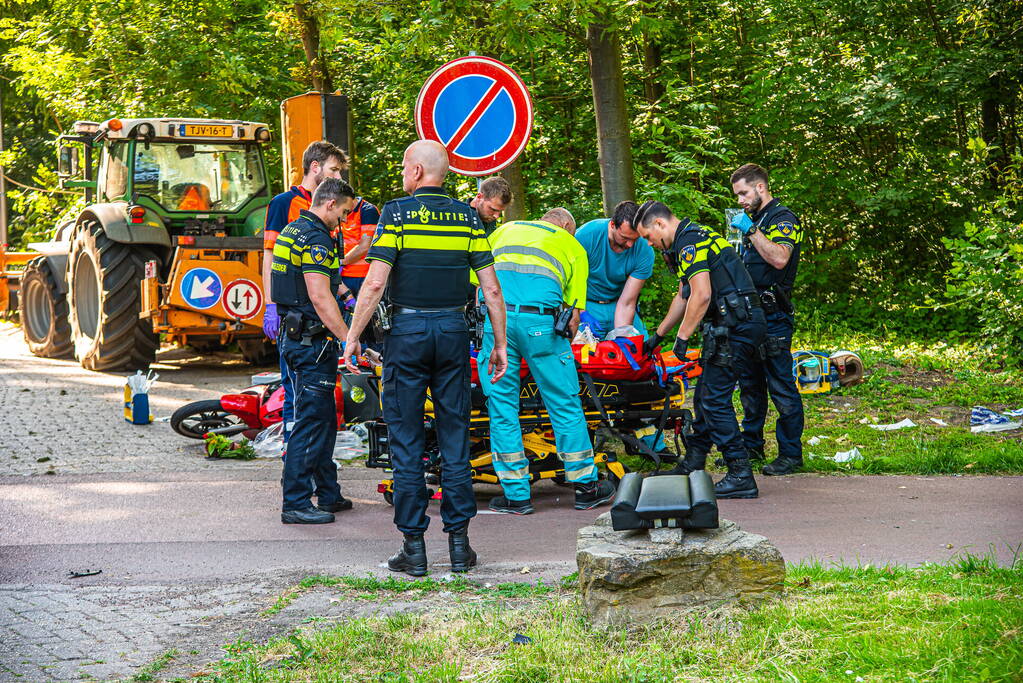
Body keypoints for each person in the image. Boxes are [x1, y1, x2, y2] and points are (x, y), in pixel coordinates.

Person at [342, 140, 509, 576]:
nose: (401, 174)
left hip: (407, 335)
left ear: (416, 171)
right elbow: (491, 288)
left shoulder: (395, 214)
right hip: (453, 334)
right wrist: (500, 344)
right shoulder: (469, 218)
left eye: (402, 167)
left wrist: (353, 337)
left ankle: (413, 549)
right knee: (455, 438)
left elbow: (375, 284)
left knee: (407, 440)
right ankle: (459, 547)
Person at [478, 208, 616, 515]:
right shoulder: (571, 245)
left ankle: (516, 495)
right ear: (567, 226)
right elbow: (573, 314)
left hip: (496, 321)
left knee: (502, 407)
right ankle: (585, 487)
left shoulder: (505, 229)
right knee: (564, 402)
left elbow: (477, 277)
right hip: (540, 325)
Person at [634, 200, 766, 499]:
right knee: (706, 394)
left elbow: (703, 294)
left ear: (659, 224)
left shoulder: (689, 241)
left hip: (736, 325)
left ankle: (740, 473)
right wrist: (658, 335)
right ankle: (694, 462)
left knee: (715, 399)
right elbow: (685, 294)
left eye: (647, 237)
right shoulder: (692, 236)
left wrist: (682, 338)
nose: (650, 244)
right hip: (734, 323)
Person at [270, 178, 353, 524]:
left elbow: (328, 281)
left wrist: (351, 300)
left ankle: (328, 492)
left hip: (298, 337)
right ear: (330, 204)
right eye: (344, 212)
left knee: (322, 420)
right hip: (310, 343)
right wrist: (349, 338)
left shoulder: (294, 230)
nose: (345, 220)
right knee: (310, 421)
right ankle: (296, 503)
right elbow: (319, 297)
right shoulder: (316, 237)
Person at [261, 141, 350, 451]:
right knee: (295, 391)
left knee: (320, 395)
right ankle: (293, 453)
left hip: (322, 313)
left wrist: (344, 293)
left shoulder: (331, 206)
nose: (338, 175)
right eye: (334, 169)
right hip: (298, 315)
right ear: (315, 168)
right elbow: (271, 257)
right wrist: (271, 305)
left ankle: (315, 460)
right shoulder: (285, 203)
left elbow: (325, 265)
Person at [729, 164, 805, 476]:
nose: (740, 201)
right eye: (737, 196)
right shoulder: (755, 220)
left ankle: (790, 454)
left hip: (773, 316)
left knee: (781, 386)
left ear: (760, 188)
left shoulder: (782, 218)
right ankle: (752, 446)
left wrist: (750, 230)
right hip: (748, 316)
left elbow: (779, 257)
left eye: (744, 193)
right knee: (750, 385)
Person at [574, 201, 654, 339]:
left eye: (634, 239)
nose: (630, 244)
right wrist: (581, 313)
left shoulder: (644, 249)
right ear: (612, 225)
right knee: (581, 353)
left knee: (637, 349)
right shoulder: (585, 237)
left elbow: (628, 301)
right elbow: (570, 282)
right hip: (586, 304)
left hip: (619, 303)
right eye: (625, 238)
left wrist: (622, 335)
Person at [339, 193, 381, 298]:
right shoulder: (338, 210)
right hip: (342, 277)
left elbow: (365, 247)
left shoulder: (368, 210)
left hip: (363, 276)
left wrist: (340, 262)